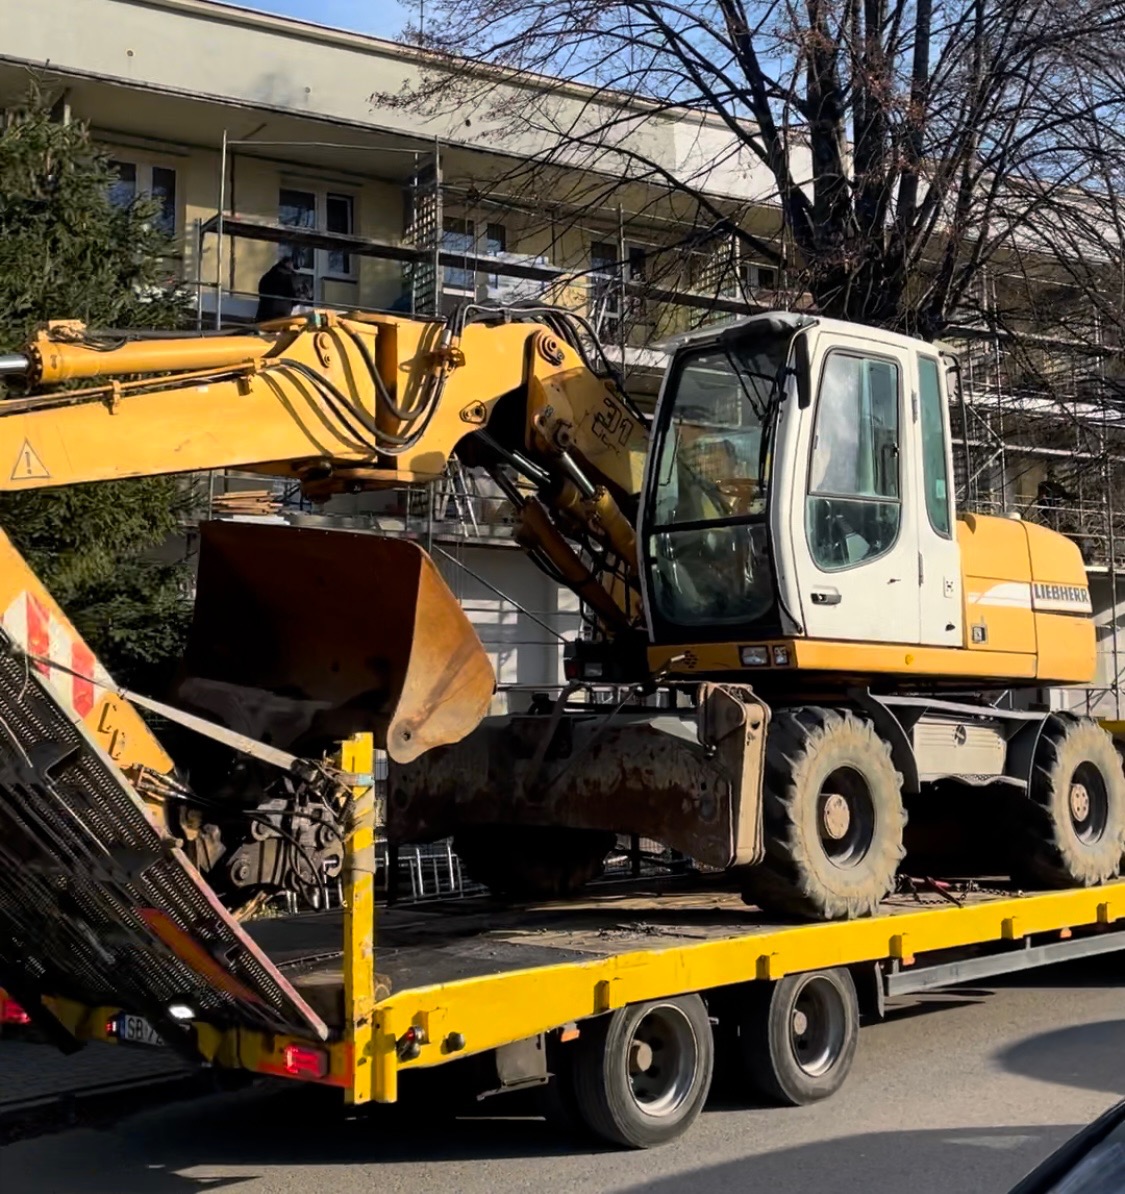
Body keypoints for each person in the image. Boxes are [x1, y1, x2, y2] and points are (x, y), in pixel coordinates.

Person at [254, 256, 303, 322]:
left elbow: (261, 291)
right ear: (289, 264)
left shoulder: (268, 275)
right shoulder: (291, 278)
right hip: (282, 313)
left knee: (262, 330)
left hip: (264, 311)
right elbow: (296, 297)